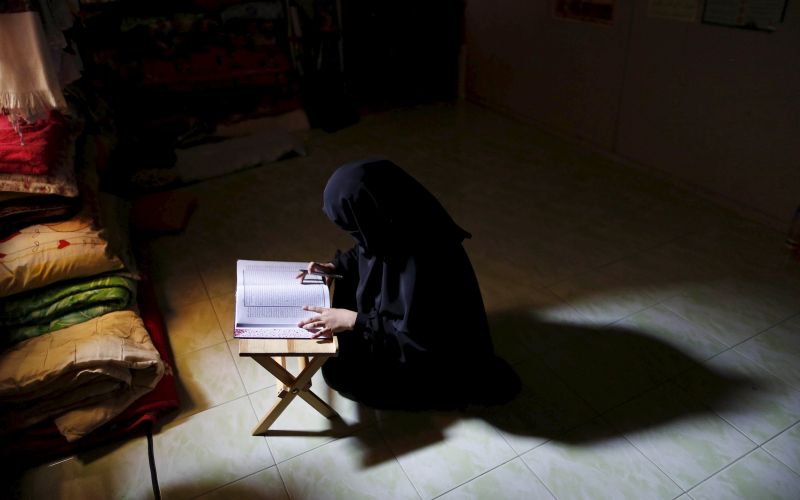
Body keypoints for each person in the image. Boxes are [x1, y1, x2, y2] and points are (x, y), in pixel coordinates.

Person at [297, 158, 520, 410]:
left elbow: (418, 338)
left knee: (339, 373)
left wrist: (352, 320)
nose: (356, 234)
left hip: (430, 356)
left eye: (355, 225)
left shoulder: (425, 258)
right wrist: (334, 267)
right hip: (400, 324)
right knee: (337, 296)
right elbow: (365, 251)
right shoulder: (395, 217)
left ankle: (427, 395)